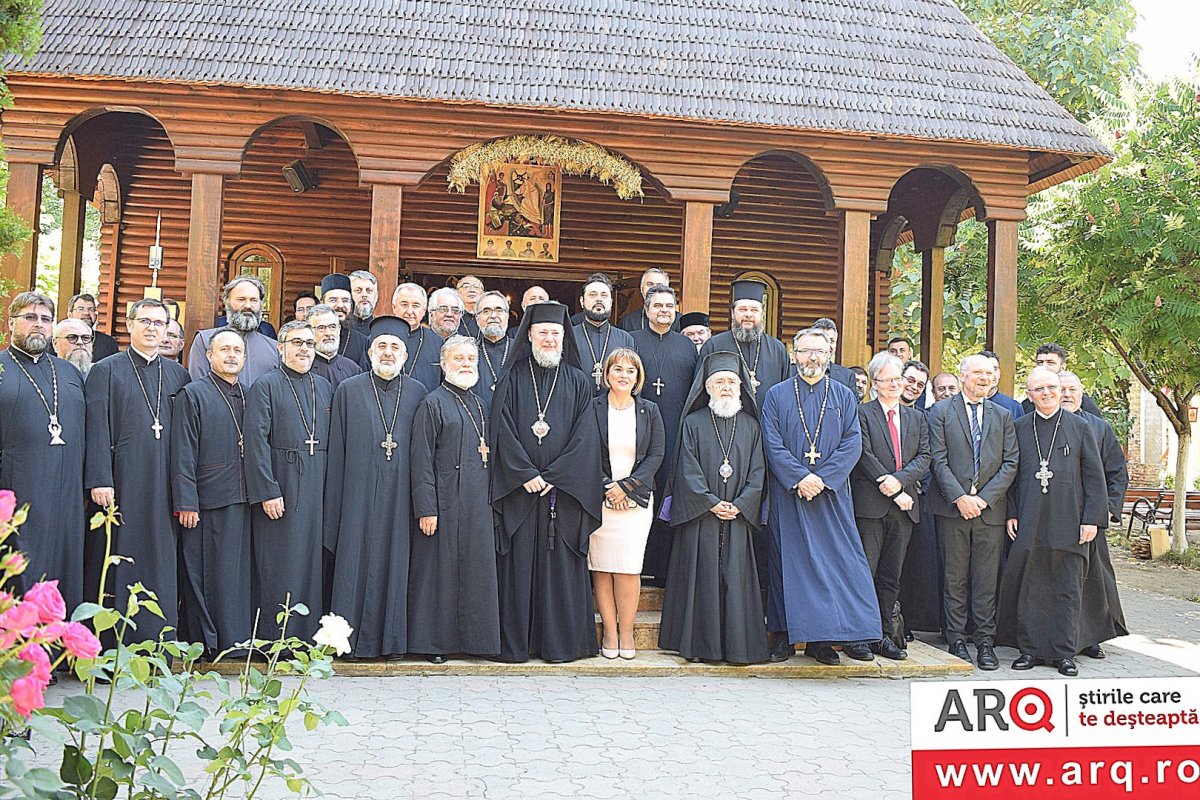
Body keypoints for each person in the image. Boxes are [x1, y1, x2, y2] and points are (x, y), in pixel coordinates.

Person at [489, 301, 602, 663]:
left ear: (564, 336)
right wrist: (524, 474)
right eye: (543, 333)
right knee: (518, 569)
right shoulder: (512, 377)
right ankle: (517, 644)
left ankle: (561, 645)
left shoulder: (579, 380)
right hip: (520, 491)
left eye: (556, 333)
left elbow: (586, 438)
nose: (550, 338)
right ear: (530, 337)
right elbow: (500, 429)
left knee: (559, 566)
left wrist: (554, 477)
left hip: (562, 495)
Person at [761, 328, 881, 665]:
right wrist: (799, 478)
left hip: (831, 495)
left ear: (829, 356)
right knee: (788, 563)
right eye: (806, 351)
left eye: (820, 352)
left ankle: (822, 641)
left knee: (833, 564)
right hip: (790, 494)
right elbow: (772, 442)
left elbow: (852, 443)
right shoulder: (777, 395)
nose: (813, 358)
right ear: (794, 354)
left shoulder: (844, 396)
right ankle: (784, 635)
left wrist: (823, 479)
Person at [85, 298, 191, 643]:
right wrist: (100, 478)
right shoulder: (107, 369)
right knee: (120, 555)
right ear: (130, 325)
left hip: (164, 481)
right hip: (123, 479)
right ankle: (115, 645)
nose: (151, 328)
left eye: (158, 323)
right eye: (144, 321)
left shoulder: (178, 374)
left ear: (166, 330)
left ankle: (157, 643)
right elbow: (96, 427)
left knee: (161, 560)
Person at [658, 351, 768, 665]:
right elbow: (686, 469)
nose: (725, 387)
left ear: (740, 387)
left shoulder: (750, 426)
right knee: (700, 575)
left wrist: (741, 503)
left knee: (735, 577)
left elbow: (759, 472)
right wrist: (710, 502)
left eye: (731, 382)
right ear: (707, 388)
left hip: (738, 517)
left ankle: (736, 649)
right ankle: (698, 646)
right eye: (719, 382)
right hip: (700, 518)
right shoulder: (692, 423)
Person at [324, 316, 423, 659]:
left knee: (394, 565)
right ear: (369, 352)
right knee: (355, 562)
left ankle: (392, 643)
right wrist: (333, 508)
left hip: (400, 496)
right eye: (381, 346)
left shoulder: (417, 392)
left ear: (406, 356)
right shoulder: (349, 390)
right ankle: (346, 643)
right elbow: (336, 449)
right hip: (356, 494)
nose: (387, 353)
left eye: (395, 347)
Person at [998, 367, 1107, 676]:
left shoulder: (1080, 427)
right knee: (1030, 587)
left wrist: (1091, 520)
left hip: (1070, 521)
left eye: (1050, 387)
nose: (1045, 393)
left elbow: (1094, 479)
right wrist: (1012, 512)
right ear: (1029, 396)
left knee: (1066, 587)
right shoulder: (1019, 427)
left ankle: (1063, 653)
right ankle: (1030, 651)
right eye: (1038, 389)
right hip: (1030, 520)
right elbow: (1012, 478)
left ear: (1060, 391)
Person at [409, 335, 502, 662]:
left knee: (476, 572)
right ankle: (437, 645)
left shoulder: (480, 404)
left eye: (470, 359)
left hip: (478, 503)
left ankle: (477, 642)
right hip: (445, 503)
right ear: (444, 364)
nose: (465, 364)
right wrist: (426, 508)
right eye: (458, 359)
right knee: (442, 575)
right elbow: (420, 461)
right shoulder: (432, 403)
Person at [926, 354, 1018, 670]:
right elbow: (937, 460)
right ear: (963, 376)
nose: (984, 377)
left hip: (989, 513)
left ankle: (984, 643)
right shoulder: (940, 412)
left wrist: (983, 499)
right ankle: (956, 640)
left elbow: (1010, 463)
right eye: (977, 372)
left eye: (989, 373)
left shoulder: (1003, 416)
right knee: (954, 578)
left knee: (986, 580)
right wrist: (961, 498)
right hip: (952, 510)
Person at [244, 320, 332, 641]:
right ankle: (274, 639)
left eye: (309, 343)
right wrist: (267, 490)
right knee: (279, 563)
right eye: (297, 343)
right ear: (281, 348)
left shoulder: (322, 386)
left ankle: (306, 637)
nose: (304, 349)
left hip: (315, 484)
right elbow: (255, 442)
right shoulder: (265, 385)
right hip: (281, 482)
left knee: (310, 562)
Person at [1, 292, 87, 613]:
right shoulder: (1, 368)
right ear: (11, 323)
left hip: (67, 493)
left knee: (64, 564)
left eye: (45, 319)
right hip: (15, 490)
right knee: (20, 565)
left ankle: (61, 651)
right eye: (30, 317)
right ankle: (17, 650)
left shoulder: (68, 373)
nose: (39, 325)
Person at [171, 328, 252, 657]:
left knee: (233, 576)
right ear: (209, 356)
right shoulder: (195, 394)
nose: (232, 355)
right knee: (203, 572)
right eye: (225, 350)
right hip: (206, 499)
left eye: (237, 350)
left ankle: (232, 641)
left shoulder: (249, 394)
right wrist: (186, 501)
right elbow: (183, 452)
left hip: (243, 497)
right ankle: (205, 642)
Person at [851, 352, 931, 660]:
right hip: (871, 505)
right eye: (888, 380)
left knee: (890, 576)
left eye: (900, 378)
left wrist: (898, 482)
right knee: (865, 572)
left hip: (905, 507)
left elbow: (925, 456)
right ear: (875, 383)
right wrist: (891, 486)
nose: (896, 385)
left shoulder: (917, 418)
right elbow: (863, 454)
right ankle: (859, 636)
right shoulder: (862, 413)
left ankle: (883, 635)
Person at [589, 349, 665, 659]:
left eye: (630, 371)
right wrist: (608, 487)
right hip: (600, 499)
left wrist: (627, 488)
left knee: (629, 568)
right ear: (606, 375)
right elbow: (585, 451)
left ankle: (626, 632)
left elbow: (656, 455)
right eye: (617, 369)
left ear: (638, 377)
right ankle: (609, 631)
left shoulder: (649, 410)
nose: (623, 375)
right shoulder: (592, 409)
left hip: (636, 502)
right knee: (602, 568)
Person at [1054, 371, 1128, 660]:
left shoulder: (1098, 427)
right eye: (1062, 389)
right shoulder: (1041, 426)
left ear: (1082, 393)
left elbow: (1117, 472)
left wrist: (1106, 509)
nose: (1067, 394)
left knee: (1092, 582)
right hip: (1052, 518)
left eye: (1073, 389)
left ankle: (1090, 638)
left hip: (1089, 519)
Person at [629, 286, 696, 586]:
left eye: (669, 306)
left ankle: (665, 569)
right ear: (647, 310)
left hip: (676, 434)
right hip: (638, 433)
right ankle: (638, 564)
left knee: (668, 499)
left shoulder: (686, 347)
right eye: (658, 306)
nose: (664, 311)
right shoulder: (633, 341)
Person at [699, 280, 792, 403]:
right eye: (743, 309)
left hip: (767, 420)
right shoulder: (714, 346)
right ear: (733, 313)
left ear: (762, 314)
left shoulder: (777, 349)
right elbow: (701, 391)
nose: (748, 315)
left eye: (754, 310)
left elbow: (786, 392)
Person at [188, 276, 280, 387]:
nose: (248, 305)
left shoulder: (274, 349)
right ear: (227, 302)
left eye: (253, 300)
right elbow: (198, 390)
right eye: (241, 299)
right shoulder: (204, 340)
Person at [574, 273, 635, 395]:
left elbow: (632, 379)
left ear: (611, 302)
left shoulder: (625, 339)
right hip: (576, 408)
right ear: (582, 301)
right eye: (592, 295)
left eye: (604, 295)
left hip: (613, 408)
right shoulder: (569, 336)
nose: (599, 299)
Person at [1019, 343, 1103, 416]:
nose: (1044, 367)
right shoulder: (1029, 403)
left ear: (1063, 367)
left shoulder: (1080, 401)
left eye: (1050, 363)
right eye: (1040, 363)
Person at [391, 283, 444, 392]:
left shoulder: (438, 343)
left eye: (415, 305)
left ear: (424, 310)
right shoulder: (378, 339)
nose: (410, 311)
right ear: (394, 307)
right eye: (404, 304)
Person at [307, 304, 362, 390]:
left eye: (332, 327)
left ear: (339, 329)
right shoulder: (303, 367)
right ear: (309, 331)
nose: (328, 333)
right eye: (321, 328)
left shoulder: (353, 369)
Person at [320, 274, 369, 367]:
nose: (340, 305)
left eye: (345, 300)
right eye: (333, 300)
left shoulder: (362, 343)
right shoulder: (310, 337)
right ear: (322, 303)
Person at [474, 290, 512, 409]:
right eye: (486, 311)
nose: (493, 316)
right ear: (477, 318)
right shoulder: (469, 352)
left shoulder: (522, 350)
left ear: (507, 316)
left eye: (499, 310)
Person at [810, 318, 858, 392]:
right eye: (823, 340)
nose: (828, 345)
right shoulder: (793, 371)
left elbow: (853, 403)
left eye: (831, 341)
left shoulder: (847, 376)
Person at [67, 292, 119, 361]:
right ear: (70, 315)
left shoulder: (108, 343)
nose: (86, 313)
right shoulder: (59, 339)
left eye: (91, 309)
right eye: (81, 309)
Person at [979, 350, 1025, 420]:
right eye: (985, 369)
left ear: (999, 373)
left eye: (995, 369)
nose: (991, 374)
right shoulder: (964, 405)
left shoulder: (1013, 407)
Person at [348, 270, 378, 334]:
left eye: (369, 291)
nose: (364, 295)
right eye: (358, 290)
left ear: (376, 296)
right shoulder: (339, 329)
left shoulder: (381, 330)